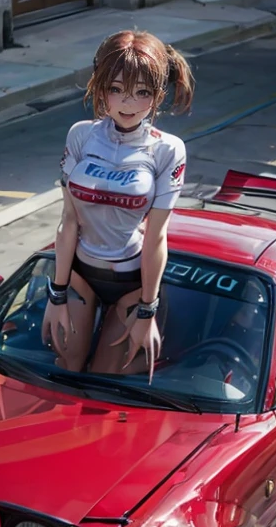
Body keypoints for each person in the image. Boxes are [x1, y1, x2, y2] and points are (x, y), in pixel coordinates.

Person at [41, 30, 194, 383]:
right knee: (66, 372)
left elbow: (156, 238)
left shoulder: (168, 150)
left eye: (142, 92)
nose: (127, 103)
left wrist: (147, 310)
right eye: (116, 89)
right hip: (79, 273)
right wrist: (57, 293)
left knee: (103, 380)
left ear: (157, 96)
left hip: (131, 283)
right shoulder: (80, 134)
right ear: (99, 87)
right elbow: (68, 222)